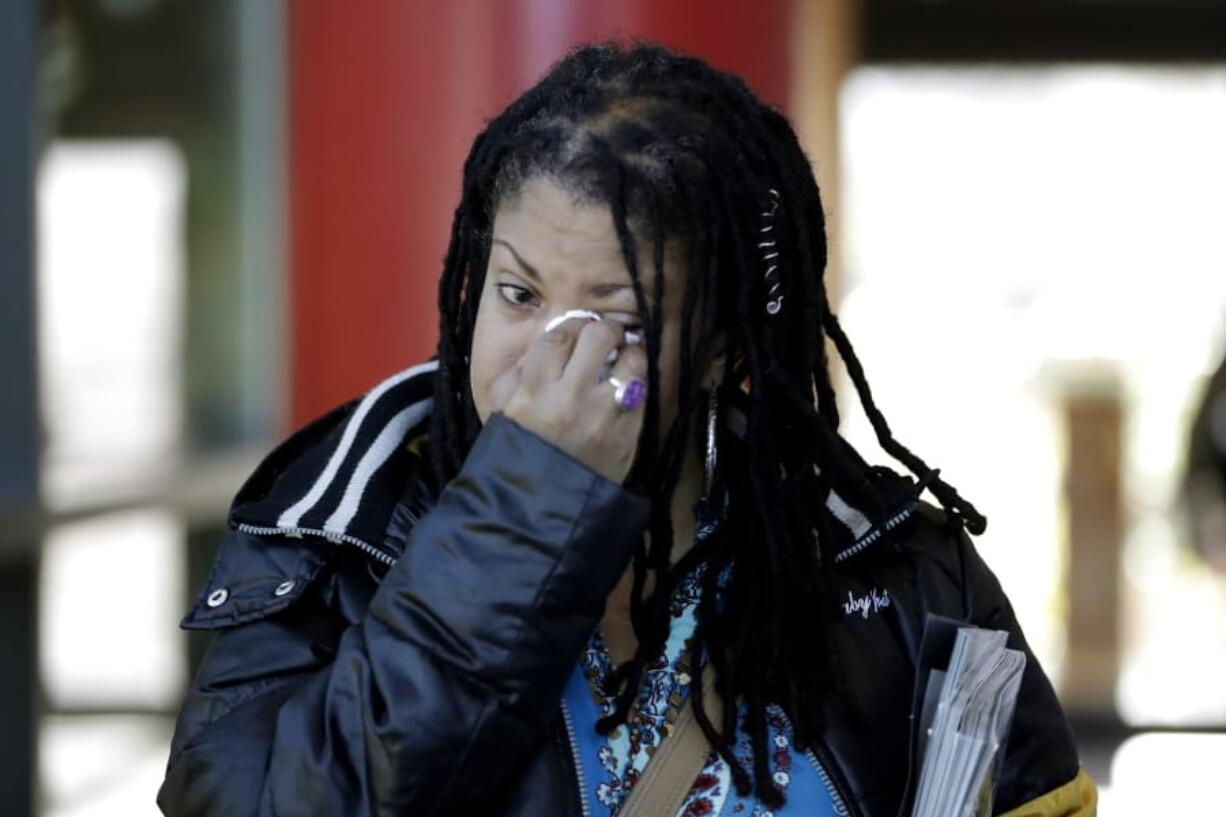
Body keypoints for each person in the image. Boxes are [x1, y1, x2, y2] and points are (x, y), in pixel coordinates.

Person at [157, 40, 1097, 817]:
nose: (547, 361)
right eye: (518, 294)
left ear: (729, 344)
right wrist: (524, 518)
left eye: (622, 320)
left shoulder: (899, 573)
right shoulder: (328, 538)